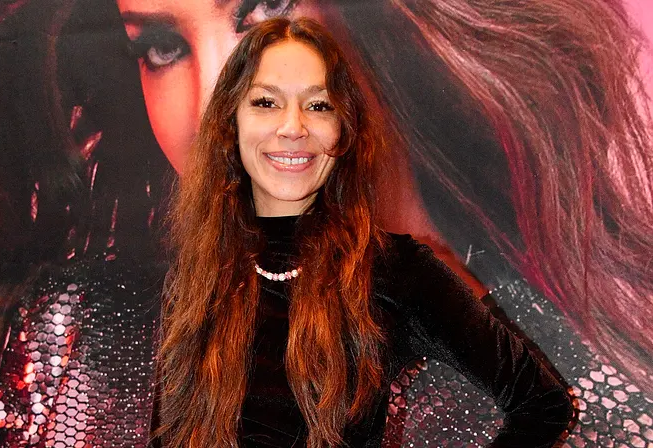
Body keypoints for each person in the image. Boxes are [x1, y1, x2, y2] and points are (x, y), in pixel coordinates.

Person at [0, 0, 651, 446]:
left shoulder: (590, 398)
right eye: (159, 47)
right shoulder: (74, 342)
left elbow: (544, 406)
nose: (214, 110)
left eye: (265, 10)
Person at [156, 17, 573, 447]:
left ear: (344, 128)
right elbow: (167, 434)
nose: (293, 127)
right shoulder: (197, 273)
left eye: (319, 105)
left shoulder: (395, 270)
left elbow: (543, 405)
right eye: (266, 102)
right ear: (231, 123)